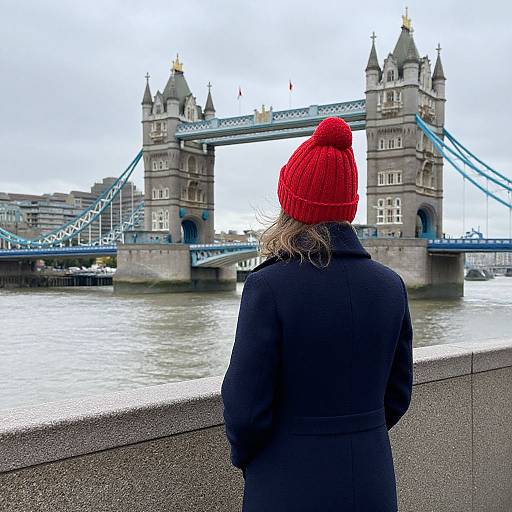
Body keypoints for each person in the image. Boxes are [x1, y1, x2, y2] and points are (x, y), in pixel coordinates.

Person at [221, 116, 413, 512]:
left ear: (291, 205)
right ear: (348, 205)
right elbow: (397, 396)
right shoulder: (390, 286)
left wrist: (255, 462)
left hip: (286, 484)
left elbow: (244, 408)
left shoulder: (268, 287)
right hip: (372, 481)